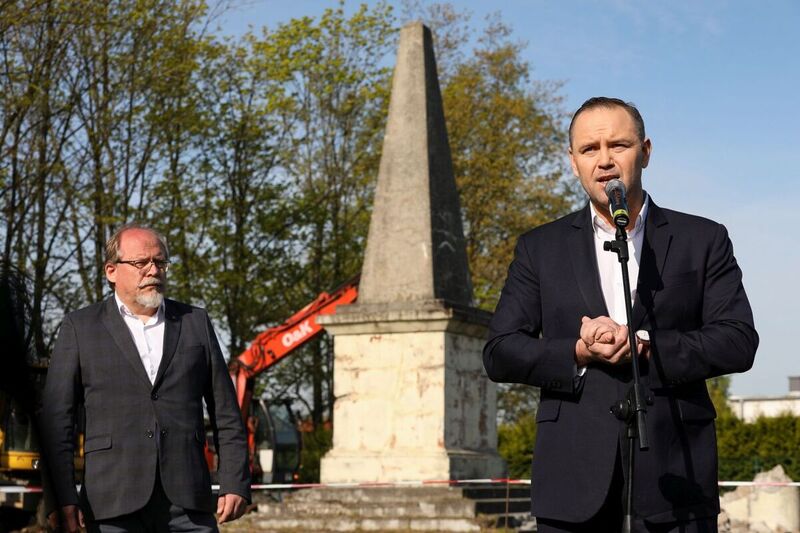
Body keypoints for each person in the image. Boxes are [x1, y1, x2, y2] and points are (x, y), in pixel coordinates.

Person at [483, 97, 757, 532]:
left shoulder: (703, 239)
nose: (605, 160)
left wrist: (645, 345)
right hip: (571, 483)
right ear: (573, 161)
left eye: (619, 145)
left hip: (676, 479)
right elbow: (500, 351)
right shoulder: (539, 248)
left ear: (645, 152)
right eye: (589, 149)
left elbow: (738, 341)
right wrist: (577, 351)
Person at [40, 224, 250, 532]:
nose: (153, 270)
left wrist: (235, 480)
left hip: (188, 502)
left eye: (160, 262)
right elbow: (57, 422)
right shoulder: (80, 327)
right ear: (111, 271)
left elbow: (226, 412)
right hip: (111, 501)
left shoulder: (195, 322)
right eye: (141, 262)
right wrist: (60, 495)